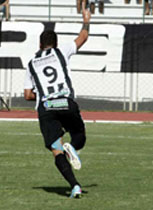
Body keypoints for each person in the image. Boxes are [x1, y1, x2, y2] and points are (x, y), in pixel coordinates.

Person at [24, 2, 91, 199]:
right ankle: (74, 146)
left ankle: (75, 186)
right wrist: (86, 22)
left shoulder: (31, 64)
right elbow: (83, 37)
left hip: (45, 107)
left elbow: (28, 95)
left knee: (56, 150)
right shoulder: (62, 52)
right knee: (79, 134)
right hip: (65, 102)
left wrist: (43, 95)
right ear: (56, 43)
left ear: (39, 45)